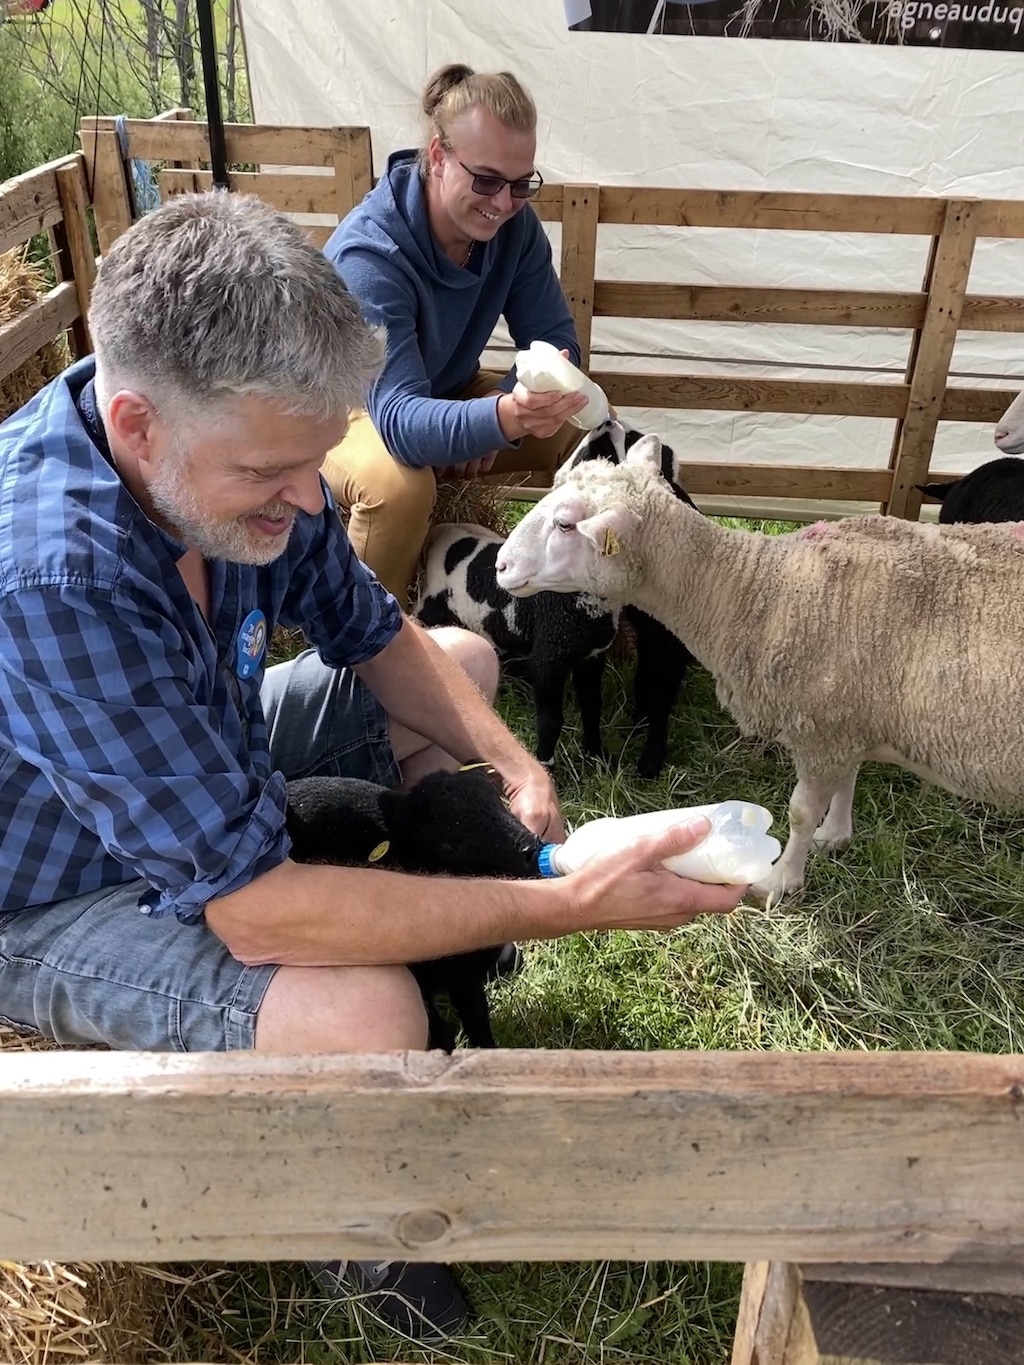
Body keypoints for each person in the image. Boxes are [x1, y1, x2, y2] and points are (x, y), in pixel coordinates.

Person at [0, 190, 744, 1342]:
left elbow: (378, 634)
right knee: (362, 1011)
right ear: (139, 424)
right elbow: (252, 912)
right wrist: (567, 903)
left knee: (463, 662)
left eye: (314, 463)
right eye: (271, 475)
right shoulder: (55, 575)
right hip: (51, 884)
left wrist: (504, 760)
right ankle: (352, 1228)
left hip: (201, 753)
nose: (312, 503)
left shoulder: (221, 455)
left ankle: (425, 894)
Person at [320, 62, 590, 603]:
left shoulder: (514, 225)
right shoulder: (370, 253)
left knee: (578, 420)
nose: (502, 203)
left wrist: (497, 407)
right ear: (439, 156)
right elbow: (397, 420)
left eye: (521, 184)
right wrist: (499, 418)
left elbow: (558, 343)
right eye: (486, 179)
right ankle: (369, 647)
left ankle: (575, 603)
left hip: (435, 392)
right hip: (338, 413)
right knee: (399, 489)